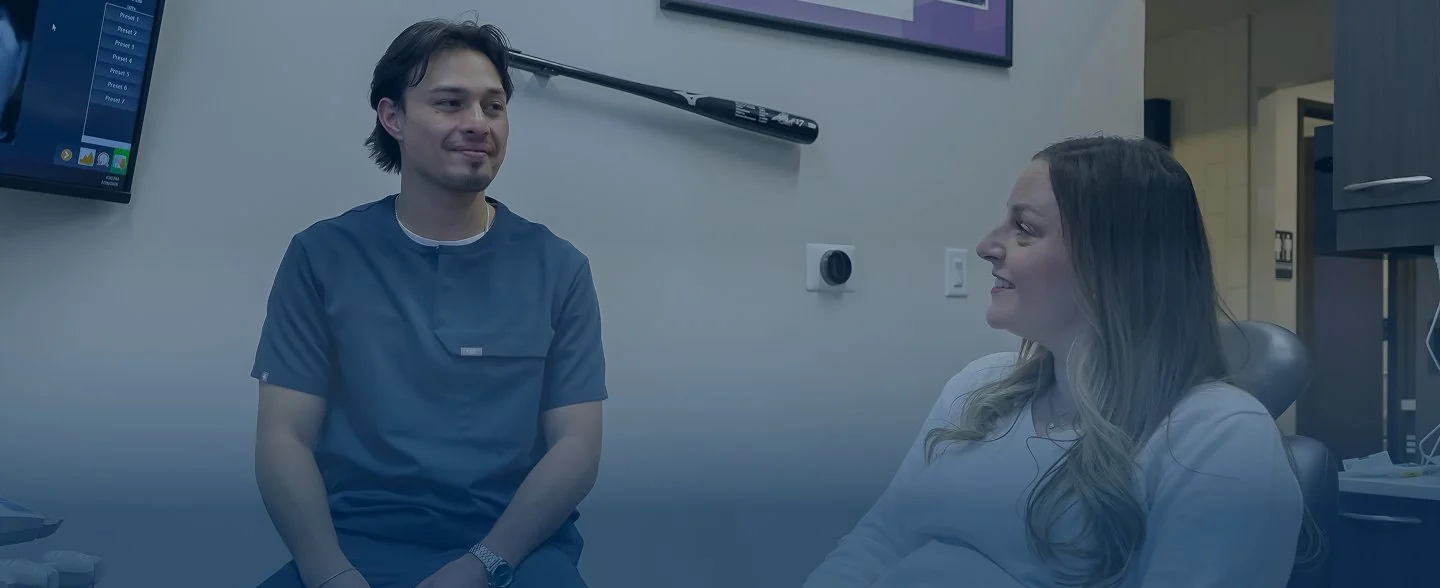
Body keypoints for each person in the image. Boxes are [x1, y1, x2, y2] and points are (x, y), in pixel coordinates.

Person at [802, 136, 1308, 588]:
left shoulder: (1220, 438)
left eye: (1024, 228)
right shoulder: (978, 389)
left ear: (1112, 264)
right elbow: (880, 541)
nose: (986, 247)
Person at [252, 18, 606, 588]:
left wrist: (483, 566)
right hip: (353, 548)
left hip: (514, 555)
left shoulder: (558, 268)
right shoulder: (322, 257)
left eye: (494, 107)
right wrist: (328, 573)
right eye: (450, 103)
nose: (477, 124)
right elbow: (283, 438)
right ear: (392, 117)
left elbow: (577, 447)